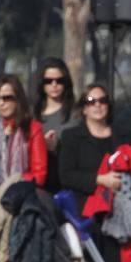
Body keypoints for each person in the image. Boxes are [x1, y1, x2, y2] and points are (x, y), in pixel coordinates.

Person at [55, 84, 131, 262]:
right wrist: (100, 180)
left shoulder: (123, 135)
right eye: (91, 101)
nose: (97, 105)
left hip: (121, 213)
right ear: (84, 108)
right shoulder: (72, 136)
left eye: (102, 101)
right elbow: (66, 176)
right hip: (87, 217)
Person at [38, 59, 75, 191]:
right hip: (41, 183)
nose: (54, 85)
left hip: (68, 182)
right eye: (48, 81)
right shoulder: (33, 115)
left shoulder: (75, 114)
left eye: (59, 80)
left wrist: (56, 147)